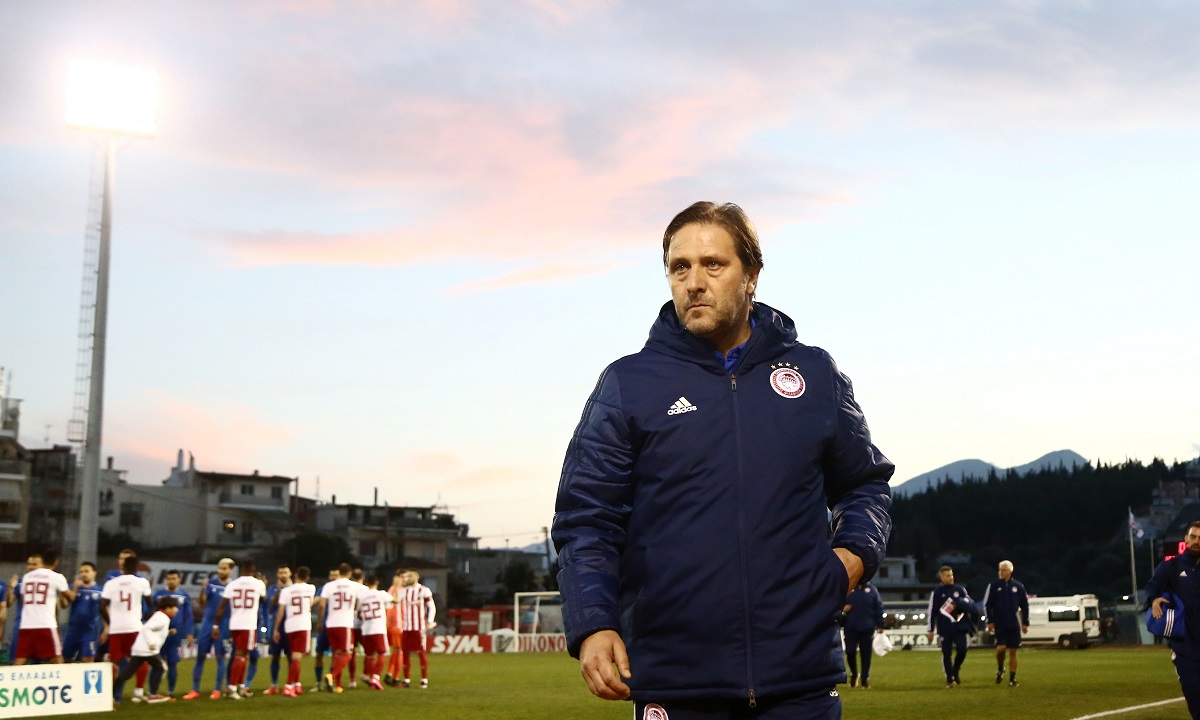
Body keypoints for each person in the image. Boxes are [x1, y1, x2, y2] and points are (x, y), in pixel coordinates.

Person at [552, 201, 894, 717]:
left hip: (799, 680)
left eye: (712, 264)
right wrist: (594, 622)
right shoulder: (628, 384)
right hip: (677, 682)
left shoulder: (814, 374)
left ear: (751, 274)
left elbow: (865, 483)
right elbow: (586, 518)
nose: (694, 282)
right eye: (679, 267)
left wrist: (852, 556)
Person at [1145, 520, 1200, 718]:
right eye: (1193, 537)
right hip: (1185, 648)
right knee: (1195, 697)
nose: (1197, 541)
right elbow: (1151, 591)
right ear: (1186, 539)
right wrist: (1153, 601)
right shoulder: (1171, 566)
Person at [213, 558, 267, 699]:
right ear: (253, 570)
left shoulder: (232, 584)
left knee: (243, 654)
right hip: (248, 624)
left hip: (234, 624)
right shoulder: (258, 583)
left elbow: (222, 606)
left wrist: (215, 625)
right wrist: (264, 584)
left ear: (242, 570)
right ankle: (231, 687)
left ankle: (241, 686)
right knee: (241, 655)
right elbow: (264, 600)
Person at [100, 554, 153, 695]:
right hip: (134, 627)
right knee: (141, 659)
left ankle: (111, 695)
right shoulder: (142, 582)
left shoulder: (111, 583)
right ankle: (138, 692)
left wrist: (110, 622)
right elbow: (150, 604)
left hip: (116, 629)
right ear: (136, 568)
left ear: (122, 567)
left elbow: (102, 606)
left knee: (114, 662)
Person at [184, 557, 234, 700]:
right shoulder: (211, 583)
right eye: (220, 568)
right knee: (200, 655)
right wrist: (202, 589)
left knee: (220, 656)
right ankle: (195, 690)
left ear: (231, 570)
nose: (221, 571)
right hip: (207, 623)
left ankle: (217, 690)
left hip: (223, 625)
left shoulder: (233, 586)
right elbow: (202, 603)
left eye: (224, 568)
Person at [113, 596, 180, 705]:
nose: (176, 610)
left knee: (128, 673)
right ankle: (152, 695)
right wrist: (151, 643)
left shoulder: (160, 616)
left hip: (140, 649)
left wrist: (168, 632)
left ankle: (112, 694)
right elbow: (147, 628)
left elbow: (155, 631)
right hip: (147, 650)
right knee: (161, 668)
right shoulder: (162, 618)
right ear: (167, 608)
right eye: (174, 607)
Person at [14, 550, 76, 664]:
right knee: (56, 658)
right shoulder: (56, 576)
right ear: (56, 562)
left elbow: (23, 598)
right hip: (46, 624)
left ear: (42, 561)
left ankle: (11, 677)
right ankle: (62, 676)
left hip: (26, 624)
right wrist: (75, 587)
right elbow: (71, 598)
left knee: (20, 659)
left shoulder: (26, 577)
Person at [926, 566, 978, 688]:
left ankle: (956, 669)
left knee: (962, 649)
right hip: (945, 628)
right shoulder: (937, 592)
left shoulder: (960, 590)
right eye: (948, 575)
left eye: (952, 575)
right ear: (942, 577)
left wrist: (965, 605)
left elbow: (970, 604)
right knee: (946, 653)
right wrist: (930, 629)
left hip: (959, 627)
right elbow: (932, 611)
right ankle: (950, 679)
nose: (951, 577)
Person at [982, 560, 1029, 687]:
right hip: (1000, 622)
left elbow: (1025, 605)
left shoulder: (1018, 586)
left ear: (1010, 571)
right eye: (1000, 570)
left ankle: (1012, 679)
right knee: (1001, 648)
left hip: (1013, 623)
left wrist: (1025, 622)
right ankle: (1001, 667)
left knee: (1013, 651)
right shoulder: (994, 586)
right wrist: (990, 621)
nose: (1001, 572)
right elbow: (987, 605)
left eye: (1003, 570)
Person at [315, 563, 359, 694]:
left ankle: (338, 685)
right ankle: (332, 676)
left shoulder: (329, 586)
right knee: (348, 653)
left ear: (339, 573)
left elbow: (322, 605)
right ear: (349, 573)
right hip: (345, 623)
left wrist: (319, 622)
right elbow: (356, 604)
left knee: (337, 654)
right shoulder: (354, 586)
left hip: (331, 623)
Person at [273, 565, 317, 697]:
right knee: (297, 658)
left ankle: (296, 684)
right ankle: (288, 686)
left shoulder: (286, 591)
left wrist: (276, 628)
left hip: (289, 625)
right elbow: (310, 603)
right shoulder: (311, 588)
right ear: (307, 577)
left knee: (294, 657)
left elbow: (280, 611)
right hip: (303, 625)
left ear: (296, 575)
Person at [151, 570, 194, 696]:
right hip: (159, 634)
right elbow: (152, 613)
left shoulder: (184, 596)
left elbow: (188, 616)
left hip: (175, 634)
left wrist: (190, 633)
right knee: (156, 663)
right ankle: (153, 691)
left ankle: (171, 691)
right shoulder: (158, 595)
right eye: (169, 579)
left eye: (174, 578)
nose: (171, 581)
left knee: (172, 662)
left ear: (179, 579)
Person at [396, 569, 436, 689]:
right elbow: (395, 602)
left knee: (421, 653)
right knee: (405, 653)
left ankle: (424, 680)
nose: (406, 578)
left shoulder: (424, 590)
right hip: (406, 627)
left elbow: (431, 606)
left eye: (409, 576)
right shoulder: (404, 591)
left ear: (415, 577)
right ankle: (406, 680)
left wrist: (430, 621)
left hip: (419, 627)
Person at [842, 580, 885, 689]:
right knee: (850, 651)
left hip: (867, 628)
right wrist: (843, 609)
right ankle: (854, 673)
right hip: (850, 627)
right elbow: (837, 604)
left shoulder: (872, 590)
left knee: (866, 654)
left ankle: (864, 679)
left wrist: (880, 624)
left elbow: (878, 607)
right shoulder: (848, 588)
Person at [357, 573, 394, 690]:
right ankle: (376, 677)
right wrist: (397, 587)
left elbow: (358, 612)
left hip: (366, 629)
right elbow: (396, 600)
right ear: (377, 582)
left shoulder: (362, 596)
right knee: (382, 653)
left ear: (366, 583)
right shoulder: (381, 594)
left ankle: (369, 676)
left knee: (369, 655)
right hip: (378, 628)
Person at [62, 561, 104, 663]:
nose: (83, 574)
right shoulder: (73, 587)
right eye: (81, 572)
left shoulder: (100, 590)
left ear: (94, 572)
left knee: (87, 661)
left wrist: (106, 628)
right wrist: (65, 590)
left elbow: (106, 610)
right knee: (64, 660)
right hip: (72, 631)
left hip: (90, 631)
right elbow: (64, 605)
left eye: (87, 571)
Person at [260, 564, 292, 695]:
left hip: (291, 627)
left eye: (285, 572)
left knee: (291, 657)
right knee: (275, 656)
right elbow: (272, 605)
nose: (283, 575)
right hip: (277, 628)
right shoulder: (273, 588)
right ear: (277, 575)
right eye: (281, 573)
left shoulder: (295, 589)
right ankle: (274, 684)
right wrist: (279, 591)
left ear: (290, 574)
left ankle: (291, 684)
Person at [312, 567, 339, 691]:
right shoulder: (324, 588)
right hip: (324, 625)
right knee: (319, 654)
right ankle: (318, 682)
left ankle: (331, 680)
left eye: (336, 575)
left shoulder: (340, 589)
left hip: (335, 625)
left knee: (335, 654)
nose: (333, 577)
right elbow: (318, 602)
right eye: (331, 575)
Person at [384, 569, 405, 686]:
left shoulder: (391, 589)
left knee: (396, 650)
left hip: (392, 624)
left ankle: (389, 673)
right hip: (398, 624)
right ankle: (396, 678)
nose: (405, 579)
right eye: (403, 577)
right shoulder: (399, 590)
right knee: (400, 650)